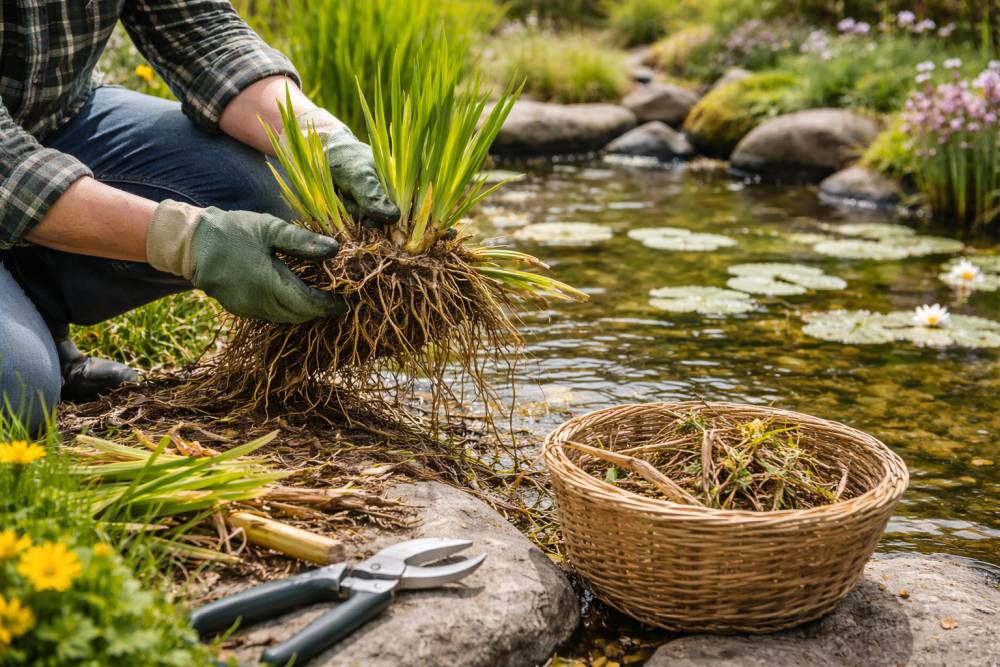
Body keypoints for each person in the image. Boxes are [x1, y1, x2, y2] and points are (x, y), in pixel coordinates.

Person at [0, 1, 400, 433]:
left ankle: (28, 294)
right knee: (16, 392)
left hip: (57, 120)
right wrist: (186, 239)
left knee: (264, 185)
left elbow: (201, 30)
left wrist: (319, 139)